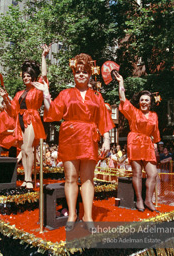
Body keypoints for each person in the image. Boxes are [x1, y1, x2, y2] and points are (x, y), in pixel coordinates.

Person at [34, 53, 114, 233]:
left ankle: (88, 216)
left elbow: (104, 118)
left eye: (85, 72)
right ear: (74, 74)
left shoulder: (97, 96)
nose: (81, 75)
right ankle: (72, 214)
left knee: (87, 178)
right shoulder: (65, 94)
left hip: (89, 137)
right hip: (70, 137)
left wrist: (107, 139)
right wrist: (46, 93)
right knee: (70, 178)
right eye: (78, 72)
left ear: (89, 74)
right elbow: (53, 113)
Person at [0, 45, 50, 189]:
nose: (26, 78)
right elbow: (12, 111)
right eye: (24, 76)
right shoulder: (18, 94)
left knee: (28, 148)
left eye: (28, 76)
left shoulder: (37, 88)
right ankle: (26, 178)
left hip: (32, 118)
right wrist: (5, 99)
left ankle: (29, 179)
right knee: (23, 150)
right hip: (20, 120)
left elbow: (45, 75)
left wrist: (43, 56)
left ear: (33, 77)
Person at [114, 71, 161, 213]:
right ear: (139, 101)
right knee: (137, 173)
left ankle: (148, 199)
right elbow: (123, 100)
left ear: (150, 102)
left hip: (147, 144)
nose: (144, 102)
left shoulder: (154, 115)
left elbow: (156, 133)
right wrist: (121, 82)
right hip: (134, 142)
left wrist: (156, 146)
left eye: (147, 100)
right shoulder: (133, 112)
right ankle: (139, 200)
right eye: (142, 100)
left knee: (152, 174)